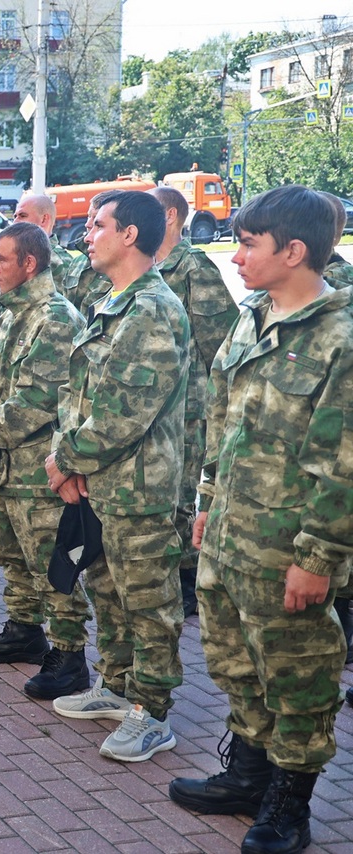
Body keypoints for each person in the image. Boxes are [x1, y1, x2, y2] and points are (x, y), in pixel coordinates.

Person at [168, 185, 353, 854]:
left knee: (298, 675)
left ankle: (289, 803)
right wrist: (207, 504)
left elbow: (345, 465)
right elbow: (224, 420)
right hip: (228, 536)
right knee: (233, 661)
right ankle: (246, 774)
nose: (237, 255)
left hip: (288, 547)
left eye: (249, 244)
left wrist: (317, 556)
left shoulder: (341, 336)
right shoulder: (254, 316)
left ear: (294, 250)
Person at [45, 190, 191, 763]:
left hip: (139, 488)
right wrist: (68, 459)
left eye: (96, 224)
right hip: (98, 482)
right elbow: (74, 393)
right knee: (106, 590)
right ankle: (117, 685)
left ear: (130, 235)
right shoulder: (116, 303)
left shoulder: (153, 309)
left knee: (148, 602)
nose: (86, 234)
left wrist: (65, 461)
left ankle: (152, 713)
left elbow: (123, 414)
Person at [0, 222, 93, 700]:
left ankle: (69, 655)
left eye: (1, 260)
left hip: (38, 472)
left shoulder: (55, 318)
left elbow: (39, 399)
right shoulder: (12, 314)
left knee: (49, 564)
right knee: (13, 557)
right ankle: (23, 629)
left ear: (29, 264)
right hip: (4, 466)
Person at [149, 186, 240, 618]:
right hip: (158, 406)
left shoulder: (193, 267)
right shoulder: (149, 268)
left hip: (189, 407)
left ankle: (188, 580)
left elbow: (220, 345)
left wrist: (212, 411)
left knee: (185, 494)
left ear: (169, 216)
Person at [14, 194, 73, 289]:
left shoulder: (60, 263)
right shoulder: (16, 255)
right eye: (15, 216)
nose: (15, 222)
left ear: (44, 219)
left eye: (22, 215)